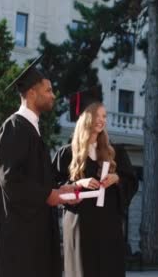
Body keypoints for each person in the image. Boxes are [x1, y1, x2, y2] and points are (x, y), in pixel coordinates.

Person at [0, 57, 76, 277]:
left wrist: (59, 190)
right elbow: (10, 179)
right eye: (48, 90)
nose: (53, 95)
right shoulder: (14, 128)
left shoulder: (32, 130)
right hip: (19, 244)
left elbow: (35, 179)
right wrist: (48, 194)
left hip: (34, 240)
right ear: (31, 94)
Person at [52, 86, 138, 277]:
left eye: (104, 116)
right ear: (85, 117)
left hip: (108, 225)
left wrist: (116, 178)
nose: (102, 120)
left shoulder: (115, 151)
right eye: (97, 115)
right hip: (79, 225)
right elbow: (52, 190)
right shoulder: (67, 154)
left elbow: (132, 182)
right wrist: (78, 185)